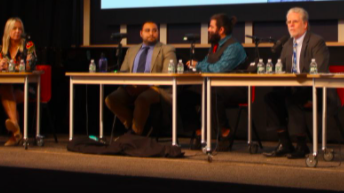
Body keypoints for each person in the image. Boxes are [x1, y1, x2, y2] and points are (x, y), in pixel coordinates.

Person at [264, 7, 333, 159]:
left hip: (314, 91)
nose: (291, 25)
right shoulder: (287, 44)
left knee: (292, 99)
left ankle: (302, 145)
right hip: (293, 89)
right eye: (289, 22)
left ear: (305, 24)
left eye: (295, 22)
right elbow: (280, 68)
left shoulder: (317, 42)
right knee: (271, 97)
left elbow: (320, 70)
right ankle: (284, 143)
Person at [186, 13, 247, 151]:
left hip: (235, 88)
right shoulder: (215, 46)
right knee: (184, 95)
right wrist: (196, 65)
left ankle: (225, 132)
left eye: (211, 27)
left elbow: (219, 69)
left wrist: (198, 65)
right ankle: (198, 132)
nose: (208, 30)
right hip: (215, 87)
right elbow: (205, 63)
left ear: (221, 30)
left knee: (211, 92)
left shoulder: (233, 47)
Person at [105, 21, 176, 135]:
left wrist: (143, 87)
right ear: (141, 33)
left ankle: (136, 133)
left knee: (142, 99)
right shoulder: (131, 50)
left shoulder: (167, 49)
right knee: (111, 99)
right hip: (131, 87)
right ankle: (134, 127)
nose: (151, 33)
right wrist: (127, 86)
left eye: (154, 30)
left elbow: (167, 75)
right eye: (147, 31)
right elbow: (123, 72)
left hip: (156, 89)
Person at [0, 17, 37, 146]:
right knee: (5, 89)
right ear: (8, 31)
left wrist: (13, 66)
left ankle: (15, 132)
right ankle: (16, 132)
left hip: (25, 87)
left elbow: (30, 67)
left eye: (20, 29)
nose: (17, 31)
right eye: (14, 29)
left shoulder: (29, 46)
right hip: (7, 87)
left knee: (6, 94)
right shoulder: (2, 49)